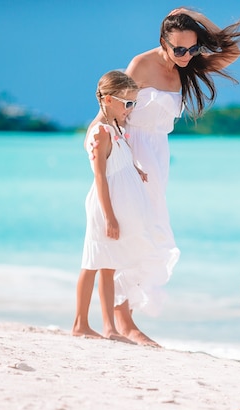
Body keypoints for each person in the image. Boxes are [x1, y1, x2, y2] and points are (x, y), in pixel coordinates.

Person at [109, 7, 240, 345]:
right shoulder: (141, 64)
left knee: (150, 232)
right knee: (130, 229)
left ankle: (126, 318)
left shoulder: (190, 66)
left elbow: (232, 51)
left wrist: (195, 16)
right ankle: (122, 323)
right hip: (130, 152)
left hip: (157, 158)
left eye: (193, 48)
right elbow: (114, 112)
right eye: (178, 49)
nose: (186, 55)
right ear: (163, 42)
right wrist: (117, 157)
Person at [72, 70, 160, 346]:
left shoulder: (115, 129)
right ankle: (80, 323)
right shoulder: (100, 132)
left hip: (116, 208)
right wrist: (109, 217)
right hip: (102, 207)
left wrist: (136, 170)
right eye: (128, 103)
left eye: (133, 103)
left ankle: (109, 326)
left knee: (108, 266)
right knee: (91, 264)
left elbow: (118, 161)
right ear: (109, 100)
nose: (131, 110)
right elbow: (100, 175)